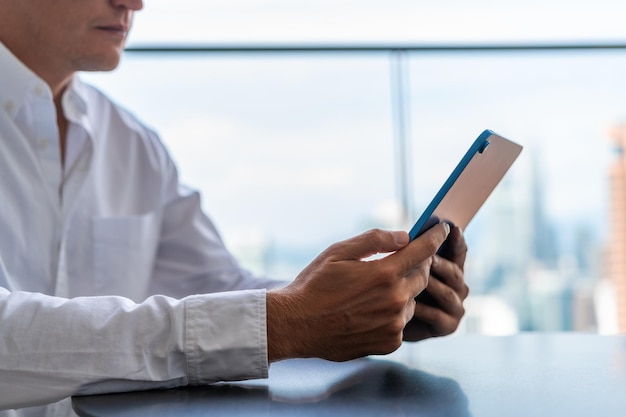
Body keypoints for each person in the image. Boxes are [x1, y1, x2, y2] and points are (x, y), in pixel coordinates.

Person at [0, 0, 469, 415]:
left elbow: (219, 287)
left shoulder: (131, 144)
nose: (134, 4)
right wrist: (287, 321)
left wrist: (365, 301)